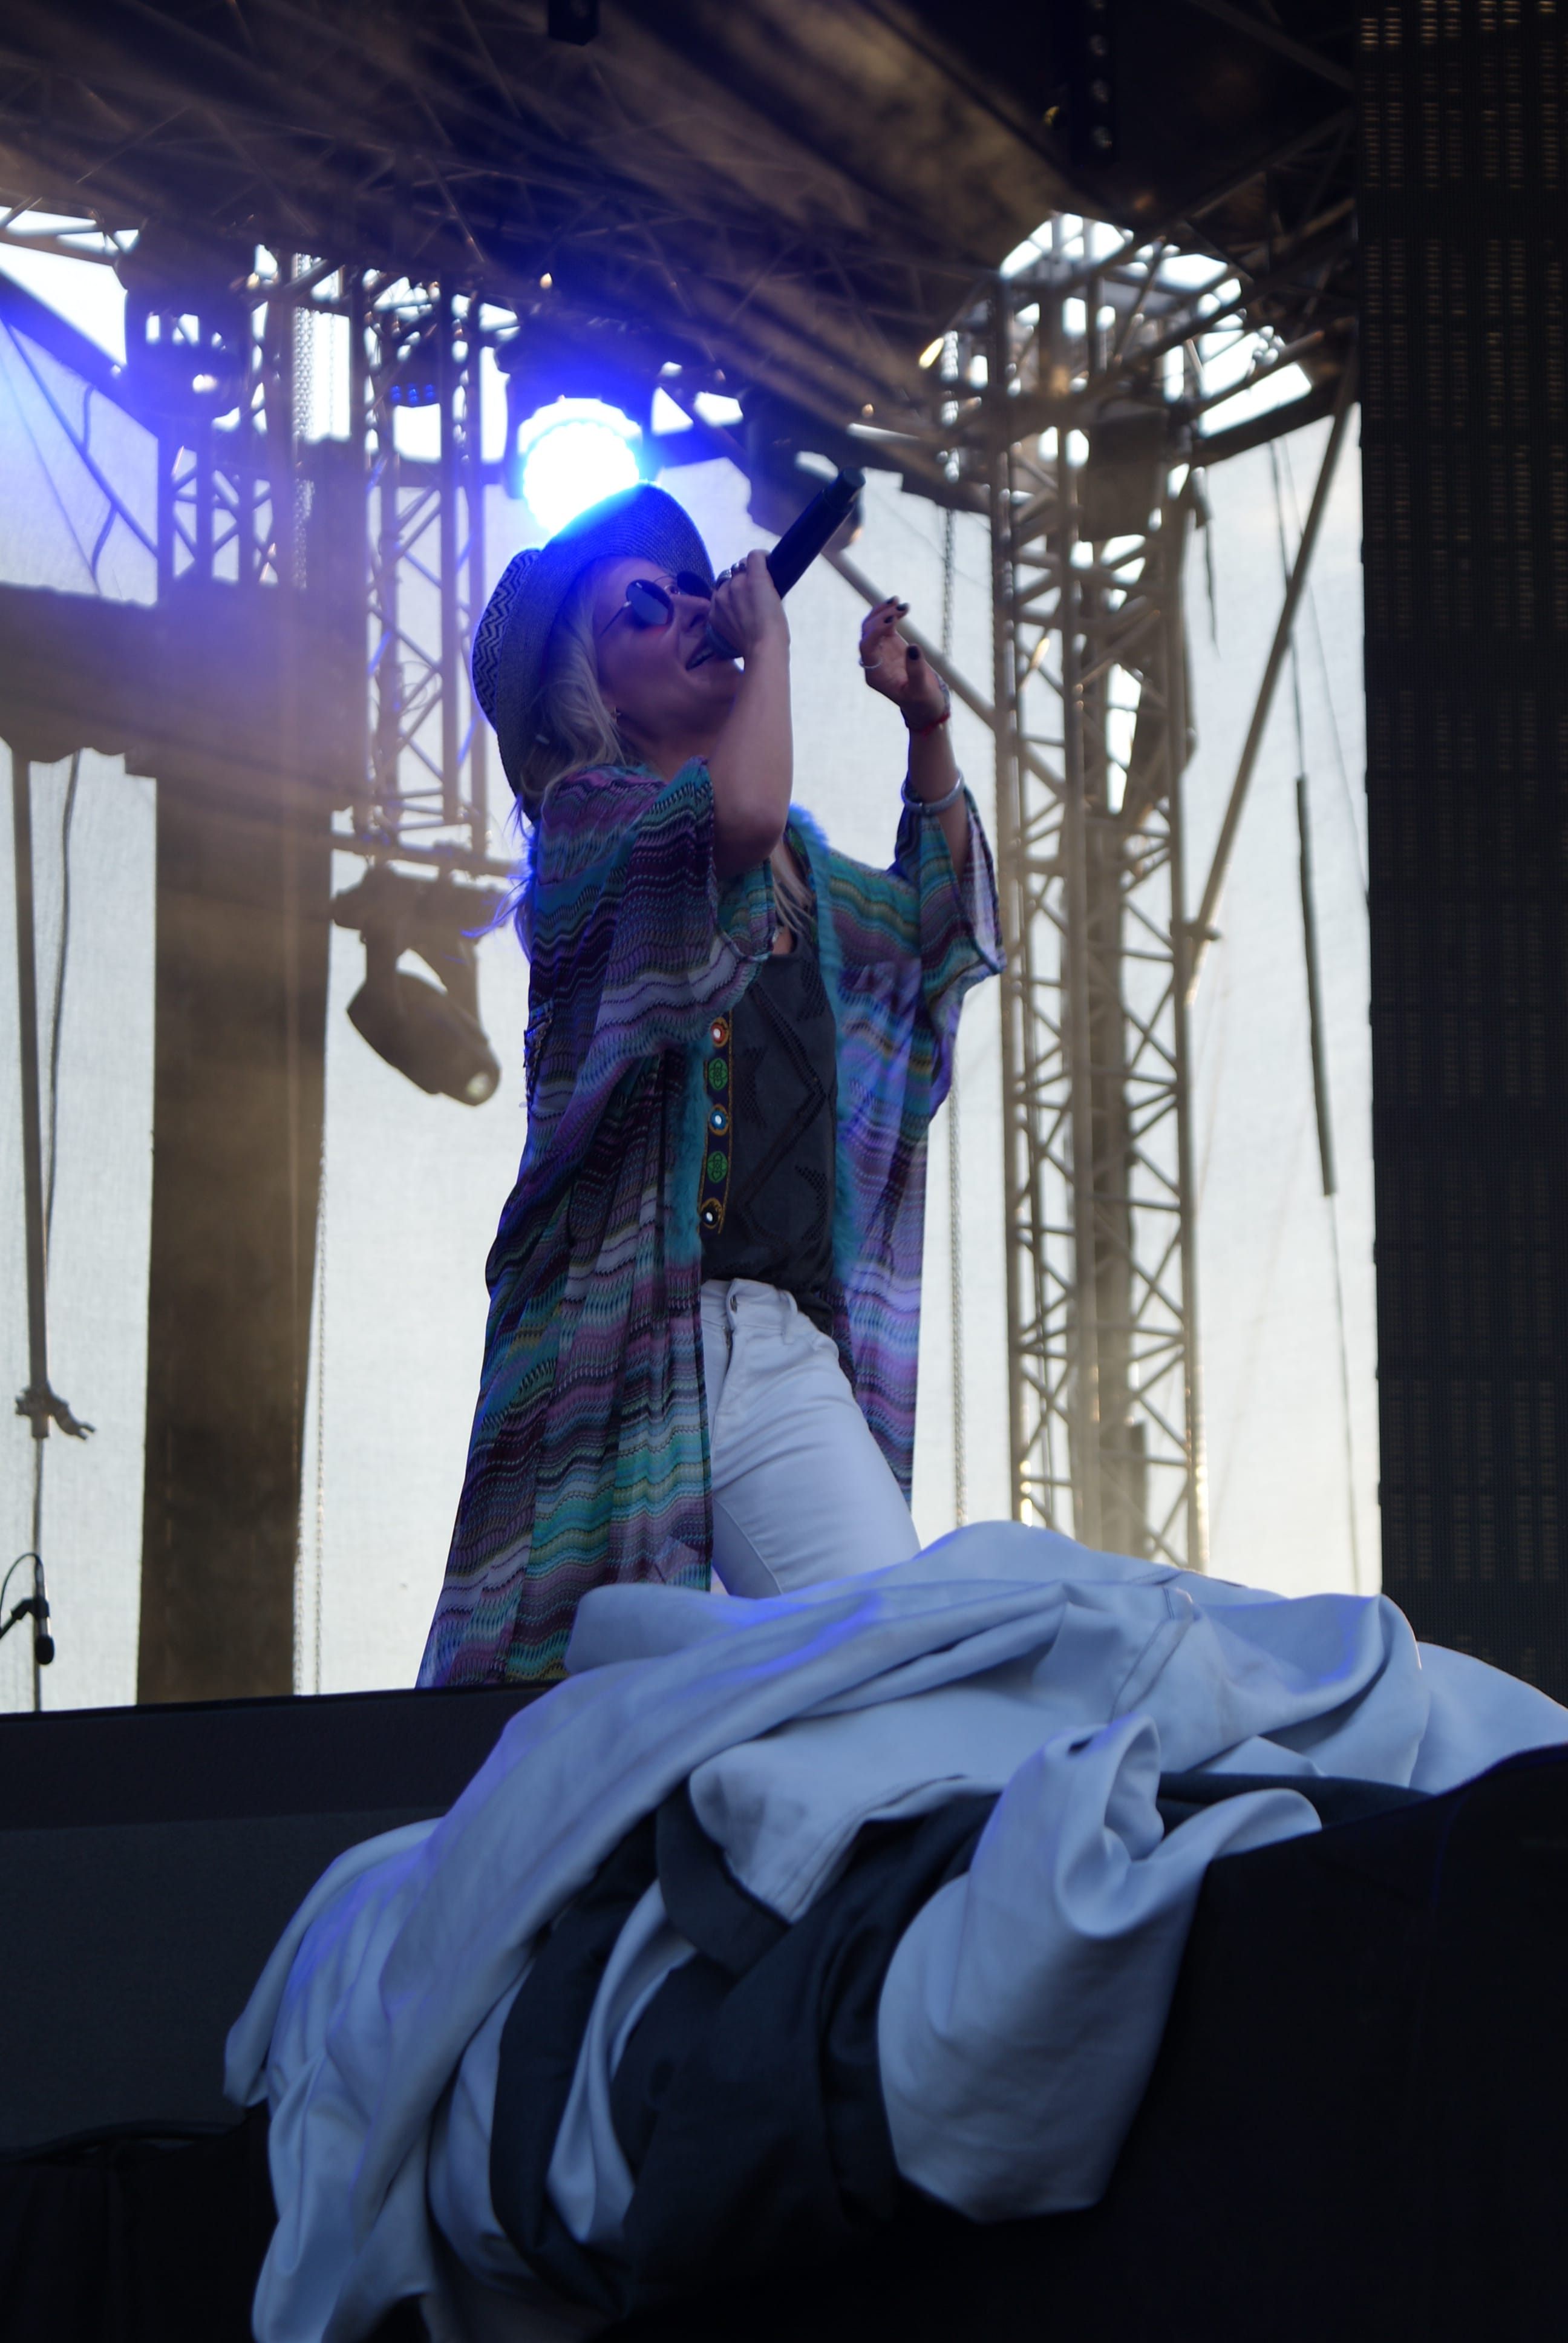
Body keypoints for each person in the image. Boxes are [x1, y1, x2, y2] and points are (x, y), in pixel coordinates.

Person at [419, 482, 1001, 1686]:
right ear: (592, 693)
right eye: (645, 606)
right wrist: (773, 645)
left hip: (776, 1348)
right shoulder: (588, 832)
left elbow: (937, 933)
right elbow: (732, 813)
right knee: (562, 1709)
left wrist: (926, 731)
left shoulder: (803, 879)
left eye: (694, 591)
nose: (692, 608)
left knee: (896, 1661)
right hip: (614, 1343)